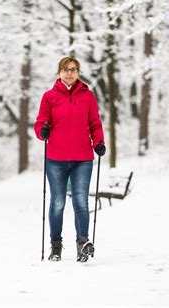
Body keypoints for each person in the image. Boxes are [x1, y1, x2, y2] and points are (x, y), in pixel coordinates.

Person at [34, 56, 106, 262]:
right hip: (56, 159)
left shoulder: (88, 97)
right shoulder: (49, 97)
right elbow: (40, 124)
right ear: (59, 72)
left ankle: (82, 244)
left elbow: (95, 124)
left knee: (81, 202)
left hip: (82, 158)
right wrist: (43, 132)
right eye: (65, 69)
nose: (69, 73)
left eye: (73, 69)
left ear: (78, 72)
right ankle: (55, 246)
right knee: (57, 203)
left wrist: (98, 142)